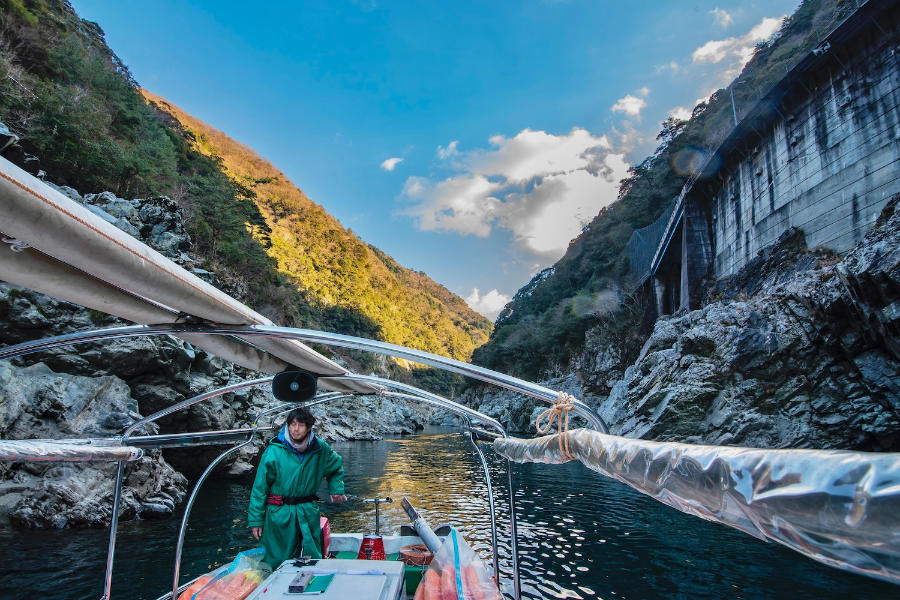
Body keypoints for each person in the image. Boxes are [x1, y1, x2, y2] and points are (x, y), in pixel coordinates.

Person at [248, 406, 347, 566]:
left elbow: (335, 467)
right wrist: (256, 520)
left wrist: (336, 488)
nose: (295, 429)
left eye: (300, 425)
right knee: (277, 558)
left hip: (307, 511)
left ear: (309, 428)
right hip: (279, 514)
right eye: (292, 424)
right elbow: (260, 487)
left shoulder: (320, 449)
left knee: (311, 557)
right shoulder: (274, 450)